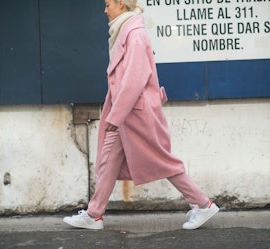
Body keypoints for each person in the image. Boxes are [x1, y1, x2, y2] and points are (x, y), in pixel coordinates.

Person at [63, 0, 219, 230]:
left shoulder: (134, 34)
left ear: (122, 4)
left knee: (163, 161)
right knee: (108, 161)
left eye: (108, 5)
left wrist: (115, 116)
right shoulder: (124, 31)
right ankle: (94, 214)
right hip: (127, 113)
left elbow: (134, 80)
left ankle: (203, 203)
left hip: (135, 114)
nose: (105, 10)